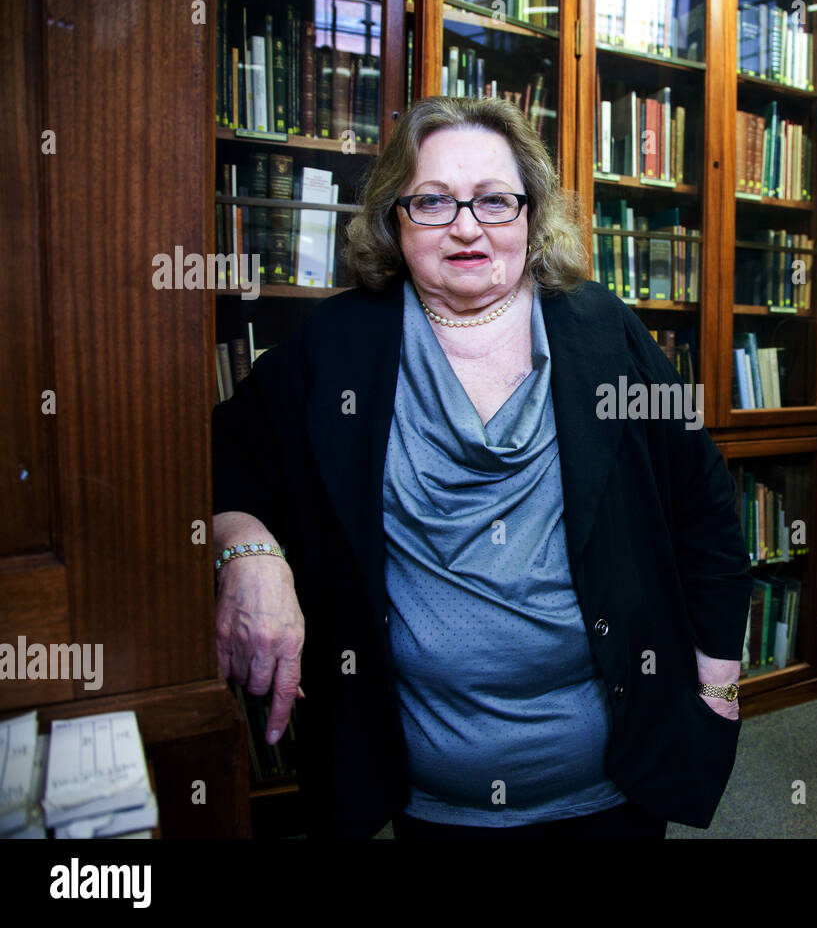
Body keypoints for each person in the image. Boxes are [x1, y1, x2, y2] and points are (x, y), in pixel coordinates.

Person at [212, 96, 752, 839]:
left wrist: (719, 682)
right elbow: (217, 456)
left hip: (614, 786)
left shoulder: (604, 329)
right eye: (433, 202)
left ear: (530, 214)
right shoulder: (336, 346)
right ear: (393, 219)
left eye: (494, 201)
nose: (466, 227)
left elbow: (706, 505)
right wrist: (249, 550)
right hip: (428, 800)